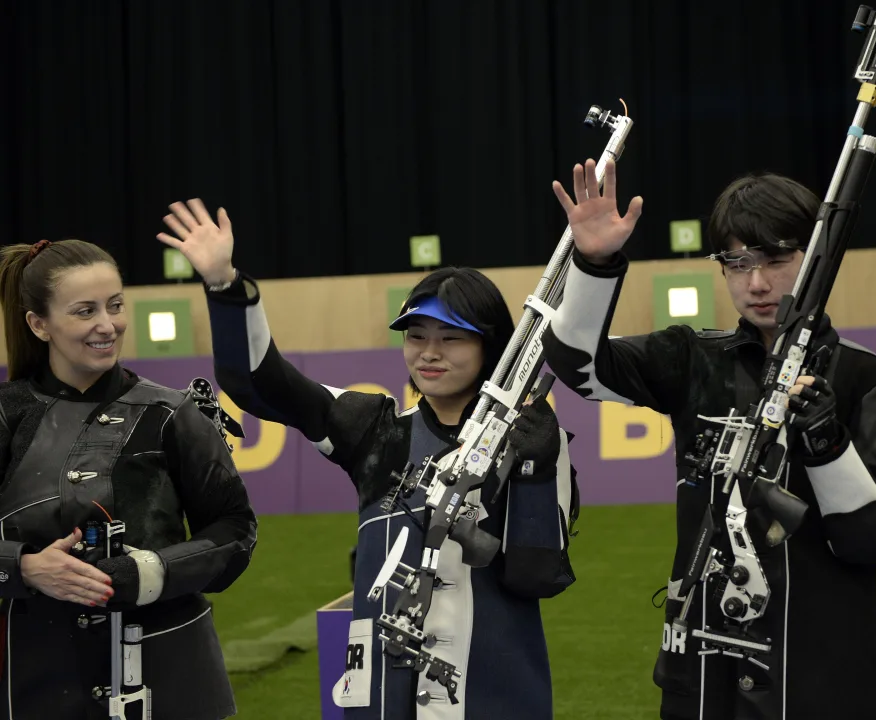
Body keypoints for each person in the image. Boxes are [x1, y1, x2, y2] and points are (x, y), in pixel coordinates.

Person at [156, 199, 579, 720]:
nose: (429, 352)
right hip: (378, 693)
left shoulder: (532, 440)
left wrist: (535, 468)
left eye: (451, 339)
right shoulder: (376, 429)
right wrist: (225, 285)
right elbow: (260, 383)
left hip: (492, 695)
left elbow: (539, 576)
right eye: (416, 337)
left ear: (490, 346)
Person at [542, 162, 876, 720]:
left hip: (819, 675)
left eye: (774, 259)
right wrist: (595, 264)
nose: (757, 282)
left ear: (814, 257)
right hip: (702, 670)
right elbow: (577, 368)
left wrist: (826, 443)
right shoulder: (695, 358)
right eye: (737, 263)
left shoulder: (870, 379)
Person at [0, 238, 257, 719]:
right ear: (39, 324)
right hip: (36, 681)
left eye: (115, 305)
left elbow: (235, 532)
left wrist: (150, 573)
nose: (107, 324)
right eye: (84, 311)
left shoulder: (172, 412)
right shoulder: (6, 414)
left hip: (171, 673)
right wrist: (24, 567)